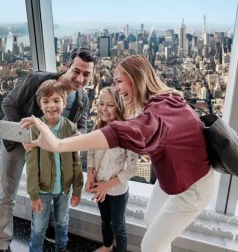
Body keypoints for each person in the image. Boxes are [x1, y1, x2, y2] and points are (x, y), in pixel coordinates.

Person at [21, 54, 215, 252]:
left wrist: (57, 144)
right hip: (175, 177)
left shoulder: (155, 115)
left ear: (136, 78)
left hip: (194, 185)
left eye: (119, 81)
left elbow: (118, 133)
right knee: (152, 220)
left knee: (150, 245)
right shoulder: (167, 97)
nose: (116, 88)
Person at [0, 48, 97, 252]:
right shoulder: (37, 80)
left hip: (49, 149)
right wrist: (25, 136)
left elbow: (82, 126)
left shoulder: (82, 99)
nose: (80, 78)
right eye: (77, 71)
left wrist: (74, 138)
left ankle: (47, 230)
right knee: (7, 193)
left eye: (86, 74)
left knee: (51, 188)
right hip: (19, 143)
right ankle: (1, 243)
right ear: (67, 67)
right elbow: (9, 104)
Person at [26, 80, 83, 252]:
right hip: (42, 191)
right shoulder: (35, 130)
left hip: (64, 190)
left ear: (64, 103)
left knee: (62, 222)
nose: (51, 105)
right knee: (38, 226)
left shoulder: (70, 128)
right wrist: (33, 194)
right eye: (46, 101)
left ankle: (62, 248)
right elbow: (31, 165)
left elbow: (76, 160)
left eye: (56, 100)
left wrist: (77, 189)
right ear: (40, 106)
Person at [86, 87, 138, 252]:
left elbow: (132, 169)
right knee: (104, 220)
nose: (104, 109)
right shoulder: (98, 127)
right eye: (101, 104)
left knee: (118, 225)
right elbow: (91, 151)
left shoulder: (128, 134)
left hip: (116, 190)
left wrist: (106, 186)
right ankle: (107, 246)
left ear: (120, 106)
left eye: (110, 105)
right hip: (100, 185)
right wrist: (89, 175)